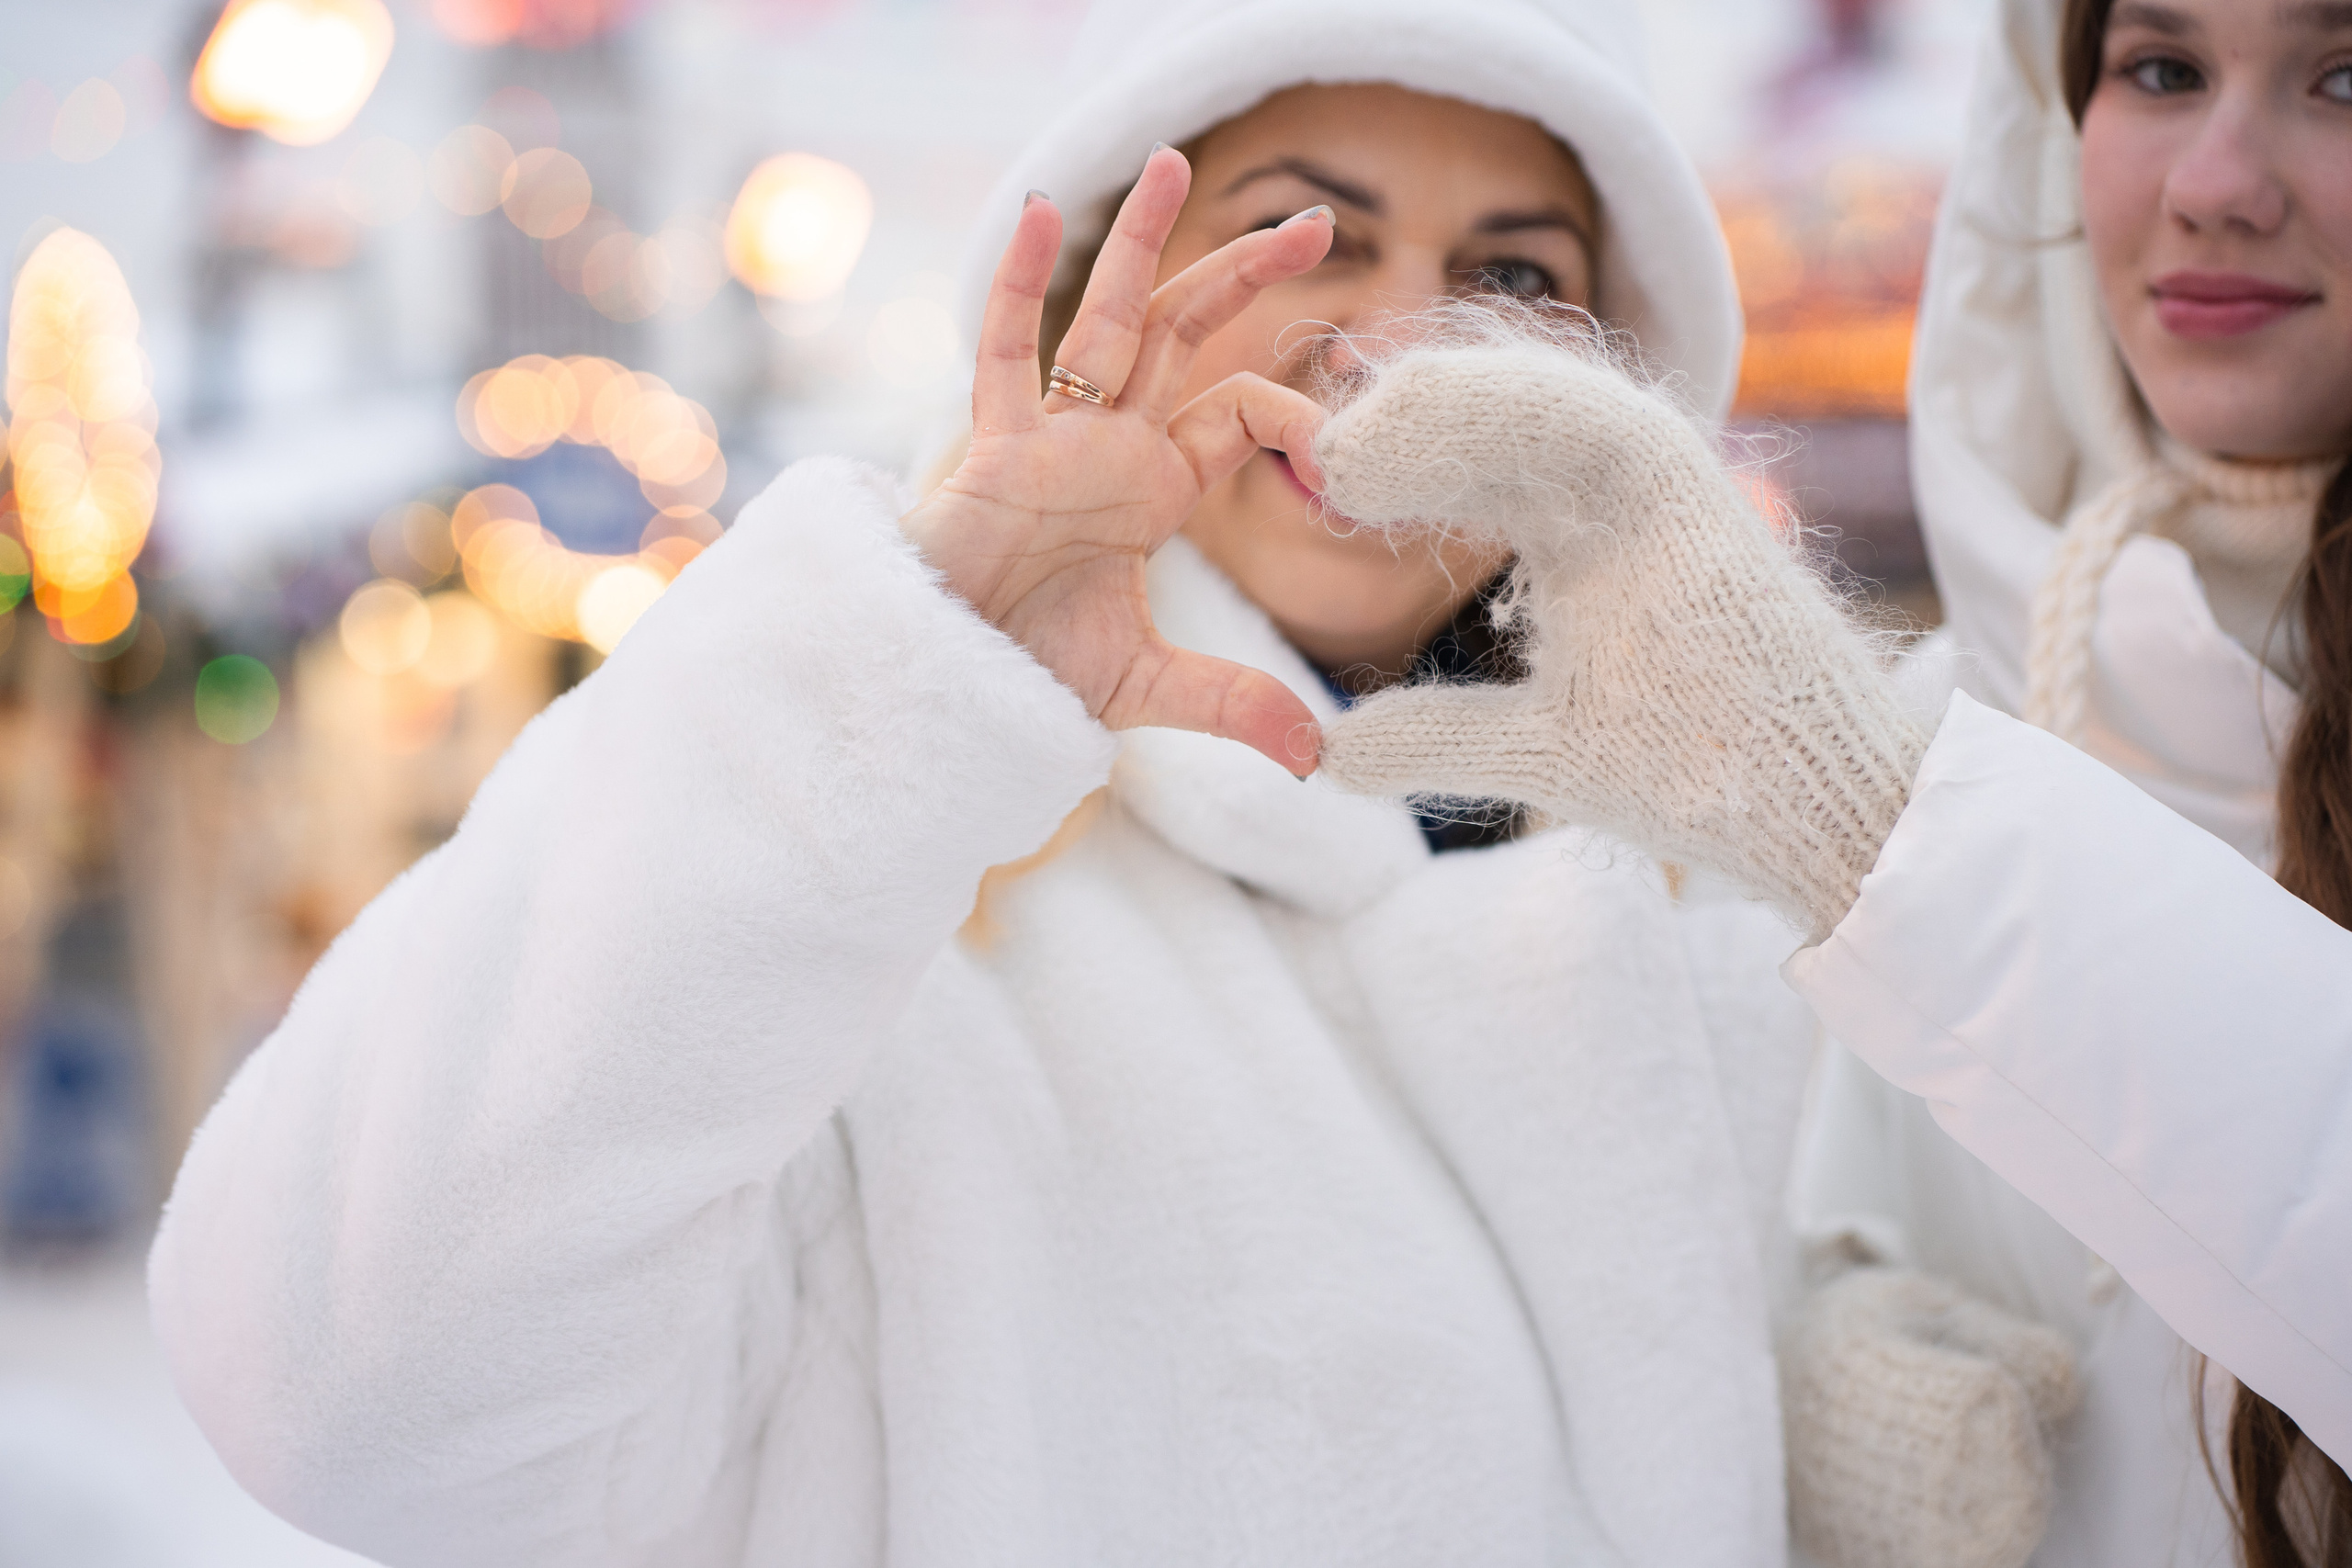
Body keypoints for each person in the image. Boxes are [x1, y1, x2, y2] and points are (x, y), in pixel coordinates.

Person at [149, 4, 1828, 1565]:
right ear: (1116, 282)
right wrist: (901, 682)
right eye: (1303, 237)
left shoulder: (1739, 919)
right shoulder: (878, 927)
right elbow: (349, 1400)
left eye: (1514, 278)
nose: (1399, 347)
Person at [1781, 0, 2352, 1562]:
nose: (2220, 183)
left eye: (2347, 77)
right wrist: (1822, 1347)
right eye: (2160, 71)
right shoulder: (1947, 708)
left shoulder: (1883, 792)